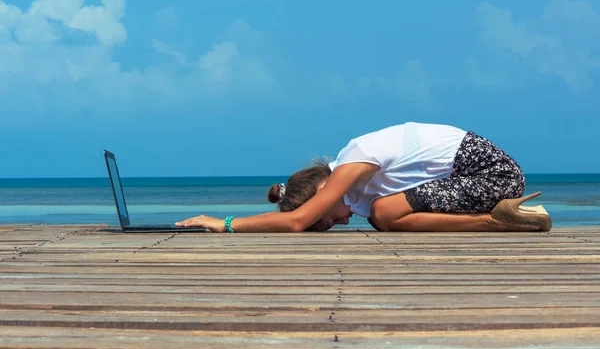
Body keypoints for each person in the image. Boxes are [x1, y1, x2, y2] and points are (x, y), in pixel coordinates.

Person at [176, 122, 552, 233]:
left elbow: (294, 222)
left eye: (325, 217)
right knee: (381, 216)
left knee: (385, 213)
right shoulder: (357, 191)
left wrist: (224, 222)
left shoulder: (352, 163)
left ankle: (496, 220)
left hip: (491, 176)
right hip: (474, 179)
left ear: (322, 191)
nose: (338, 221)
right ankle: (505, 216)